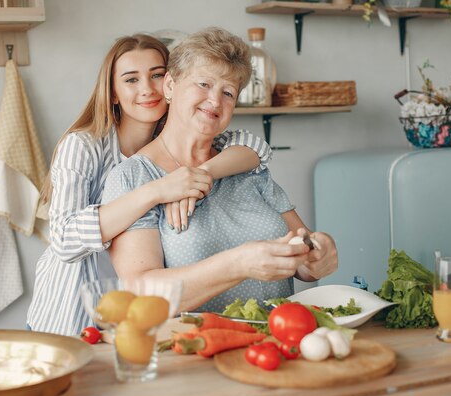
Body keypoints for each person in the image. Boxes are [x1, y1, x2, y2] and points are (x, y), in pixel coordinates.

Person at [27, 34, 273, 335]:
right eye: (131, 80)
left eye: (156, 75)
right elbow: (63, 239)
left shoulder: (181, 136)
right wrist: (157, 190)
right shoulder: (84, 146)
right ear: (113, 93)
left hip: (135, 318)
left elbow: (255, 148)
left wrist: (202, 173)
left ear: (171, 82)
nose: (147, 89)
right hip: (72, 312)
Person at [102, 27, 337, 313]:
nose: (215, 101)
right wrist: (237, 265)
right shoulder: (134, 178)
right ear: (170, 86)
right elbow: (144, 292)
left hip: (277, 341)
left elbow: (303, 256)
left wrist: (318, 252)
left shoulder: (247, 167)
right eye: (203, 84)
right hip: (195, 348)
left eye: (228, 92)